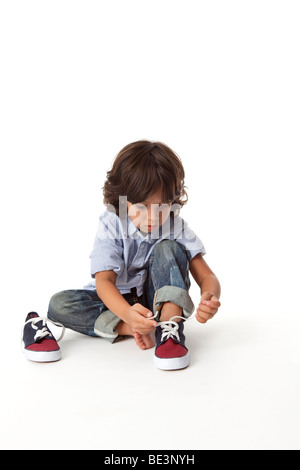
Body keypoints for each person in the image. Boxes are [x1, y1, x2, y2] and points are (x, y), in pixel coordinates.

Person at [22, 140, 221, 370]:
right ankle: (131, 327)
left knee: (169, 248)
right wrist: (127, 314)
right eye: (142, 206)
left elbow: (207, 276)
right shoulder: (111, 225)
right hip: (116, 301)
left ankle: (169, 328)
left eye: (164, 205)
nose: (153, 217)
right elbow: (104, 281)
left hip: (156, 301)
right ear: (123, 200)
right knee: (59, 304)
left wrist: (210, 296)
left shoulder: (175, 226)